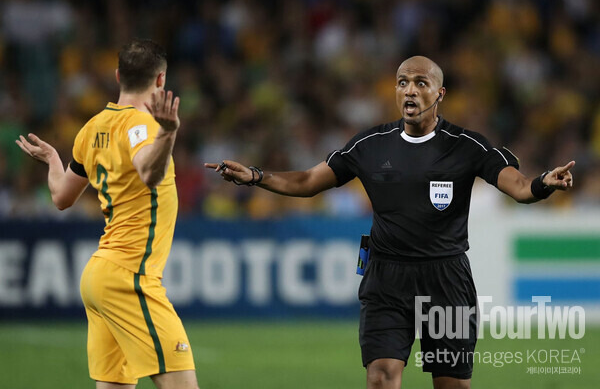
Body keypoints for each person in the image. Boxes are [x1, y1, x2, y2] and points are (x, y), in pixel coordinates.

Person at [205, 56, 574, 389]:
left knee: (452, 386)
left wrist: (545, 183)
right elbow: (307, 181)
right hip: (386, 279)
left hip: (446, 280)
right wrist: (256, 176)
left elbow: (520, 187)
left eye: (420, 82)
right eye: (402, 82)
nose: (409, 90)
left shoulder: (467, 147)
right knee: (381, 377)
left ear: (439, 93)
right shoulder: (370, 145)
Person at [16, 39, 199, 389]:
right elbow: (149, 172)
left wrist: (54, 161)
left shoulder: (92, 128)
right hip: (130, 278)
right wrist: (169, 132)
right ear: (160, 81)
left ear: (118, 76)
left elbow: (60, 197)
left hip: (99, 278)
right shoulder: (144, 127)